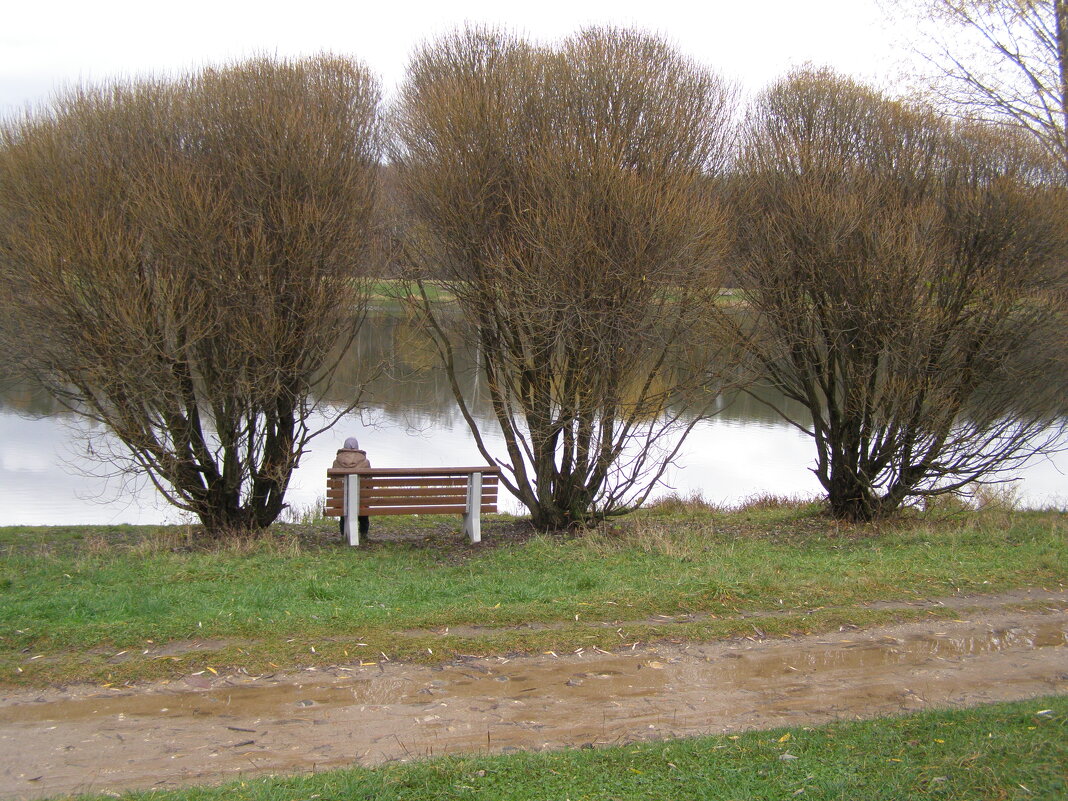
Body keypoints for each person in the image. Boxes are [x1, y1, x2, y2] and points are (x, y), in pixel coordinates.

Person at [332, 436, 370, 538]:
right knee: (363, 503)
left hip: (342, 502)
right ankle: (363, 533)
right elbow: (369, 484)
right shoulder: (365, 462)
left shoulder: (336, 462)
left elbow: (333, 484)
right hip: (361, 501)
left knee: (344, 502)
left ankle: (343, 533)